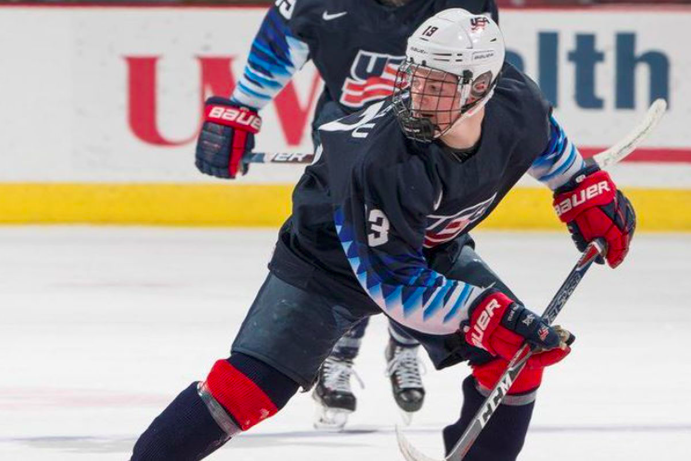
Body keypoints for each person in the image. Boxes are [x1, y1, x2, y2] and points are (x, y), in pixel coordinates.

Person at [133, 8, 636, 461]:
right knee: (246, 392)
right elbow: (394, 284)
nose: (418, 97)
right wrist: (484, 313)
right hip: (326, 264)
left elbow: (546, 141)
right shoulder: (383, 161)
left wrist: (580, 186)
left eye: (437, 84)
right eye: (414, 77)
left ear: (483, 86)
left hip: (430, 249)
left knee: (518, 354)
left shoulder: (519, 102)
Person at [195, 0, 500, 428]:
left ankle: (405, 340)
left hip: (433, 136)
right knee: (348, 246)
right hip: (350, 133)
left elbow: (480, 79)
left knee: (423, 245)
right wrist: (242, 108)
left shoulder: (465, 6)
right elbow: (279, 46)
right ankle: (338, 349)